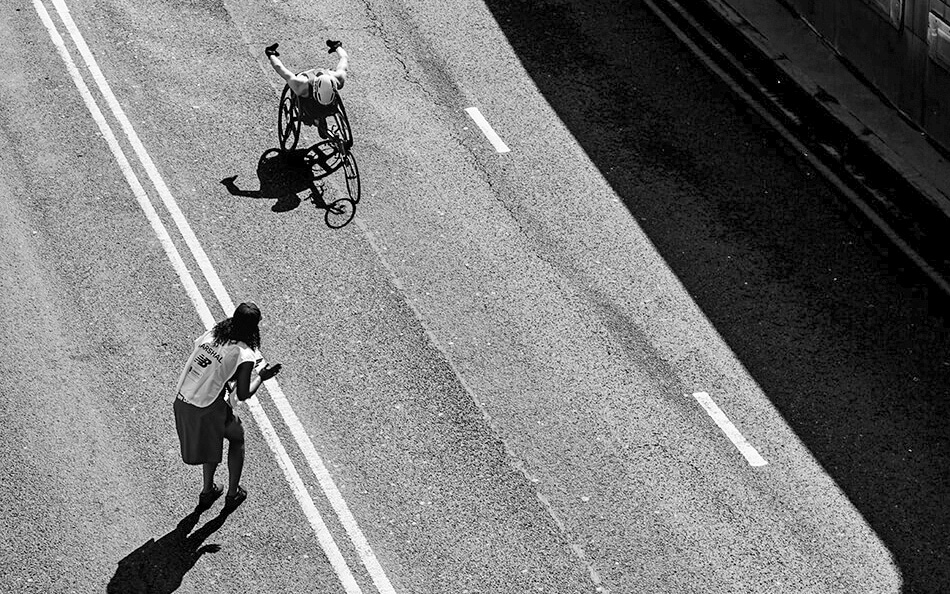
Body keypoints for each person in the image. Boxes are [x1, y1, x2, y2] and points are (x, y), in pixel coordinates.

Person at [173, 302, 282, 511]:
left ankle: (207, 492)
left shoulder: (213, 334)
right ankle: (232, 494)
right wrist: (261, 377)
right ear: (254, 328)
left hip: (184, 398)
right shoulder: (244, 353)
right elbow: (243, 393)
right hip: (206, 406)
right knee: (237, 436)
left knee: (212, 444)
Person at [266, 40, 349, 140]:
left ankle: (319, 119)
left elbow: (344, 59)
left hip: (321, 79)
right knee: (301, 101)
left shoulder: (338, 79)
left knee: (314, 105)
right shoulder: (300, 85)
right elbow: (280, 68)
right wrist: (271, 56)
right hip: (306, 78)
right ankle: (317, 119)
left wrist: (271, 53)